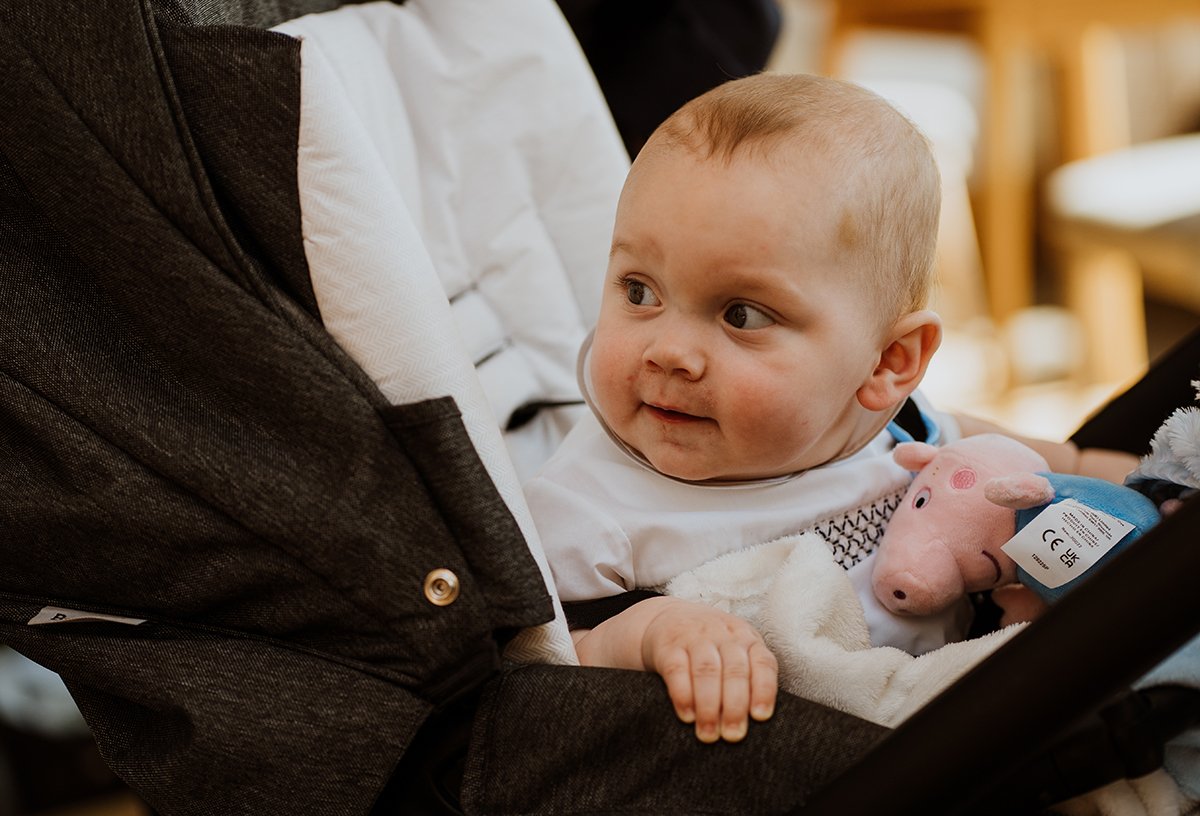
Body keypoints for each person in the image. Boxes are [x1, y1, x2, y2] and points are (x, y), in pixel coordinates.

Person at [524, 72, 1138, 749]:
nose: (670, 352)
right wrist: (647, 635)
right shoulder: (587, 510)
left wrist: (1149, 488)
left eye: (742, 314)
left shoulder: (904, 428)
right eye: (639, 291)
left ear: (887, 364)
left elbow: (1055, 466)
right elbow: (536, 675)